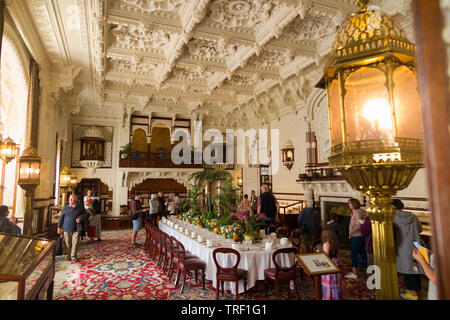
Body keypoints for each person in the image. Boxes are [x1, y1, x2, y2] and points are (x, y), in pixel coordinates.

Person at [393, 199, 424, 300]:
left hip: (403, 246)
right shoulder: (412, 215)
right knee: (415, 267)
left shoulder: (394, 218)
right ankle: (417, 290)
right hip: (415, 244)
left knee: (408, 270)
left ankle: (413, 294)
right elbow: (420, 229)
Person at [57, 194, 89, 261]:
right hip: (66, 228)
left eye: (72, 199)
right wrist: (59, 227)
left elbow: (87, 214)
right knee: (68, 243)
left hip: (77, 228)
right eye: (70, 199)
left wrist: (80, 218)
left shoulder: (80, 207)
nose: (71, 200)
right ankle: (69, 256)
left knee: (75, 242)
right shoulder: (65, 207)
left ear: (76, 199)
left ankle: (73, 256)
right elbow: (61, 217)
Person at [320, 227, 345, 300]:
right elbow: (338, 257)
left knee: (328, 286)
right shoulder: (335, 244)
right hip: (335, 265)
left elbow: (325, 258)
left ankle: (328, 297)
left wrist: (319, 253)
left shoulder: (326, 244)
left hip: (328, 267)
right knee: (335, 285)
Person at [345, 198, 367, 280]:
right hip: (361, 236)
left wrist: (351, 232)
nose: (349, 205)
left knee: (353, 254)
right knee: (362, 253)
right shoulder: (361, 211)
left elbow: (358, 225)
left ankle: (354, 273)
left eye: (350, 203)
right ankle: (365, 271)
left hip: (357, 236)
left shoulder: (357, 212)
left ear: (354, 204)